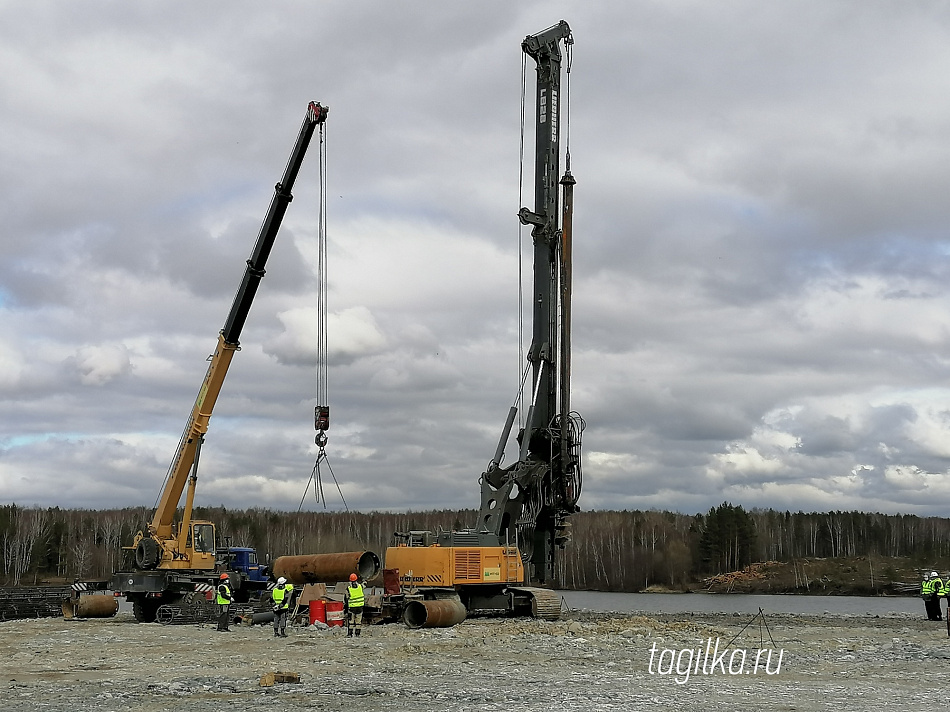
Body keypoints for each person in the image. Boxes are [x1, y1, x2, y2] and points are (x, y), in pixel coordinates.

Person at [344, 573, 365, 638]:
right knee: (358, 621)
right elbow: (365, 584)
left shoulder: (348, 589)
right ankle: (357, 634)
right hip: (360, 607)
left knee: (351, 621)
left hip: (352, 608)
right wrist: (364, 580)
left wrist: (345, 608)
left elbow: (346, 599)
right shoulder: (360, 587)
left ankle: (350, 634)